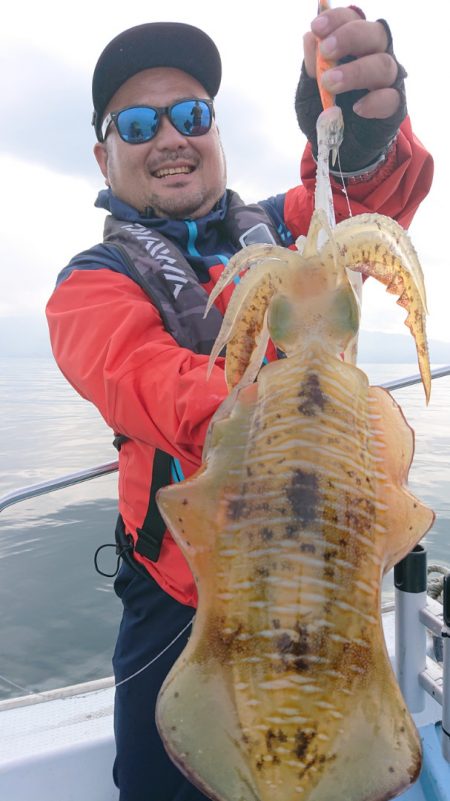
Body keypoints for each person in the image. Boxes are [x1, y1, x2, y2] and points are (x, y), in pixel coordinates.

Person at [46, 9, 433, 801]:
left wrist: (364, 140)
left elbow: (364, 202)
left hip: (329, 572)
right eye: (139, 123)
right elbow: (157, 387)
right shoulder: (89, 285)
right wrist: (301, 376)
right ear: (103, 153)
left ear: (216, 131)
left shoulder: (281, 230)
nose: (170, 138)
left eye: (191, 115)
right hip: (179, 601)